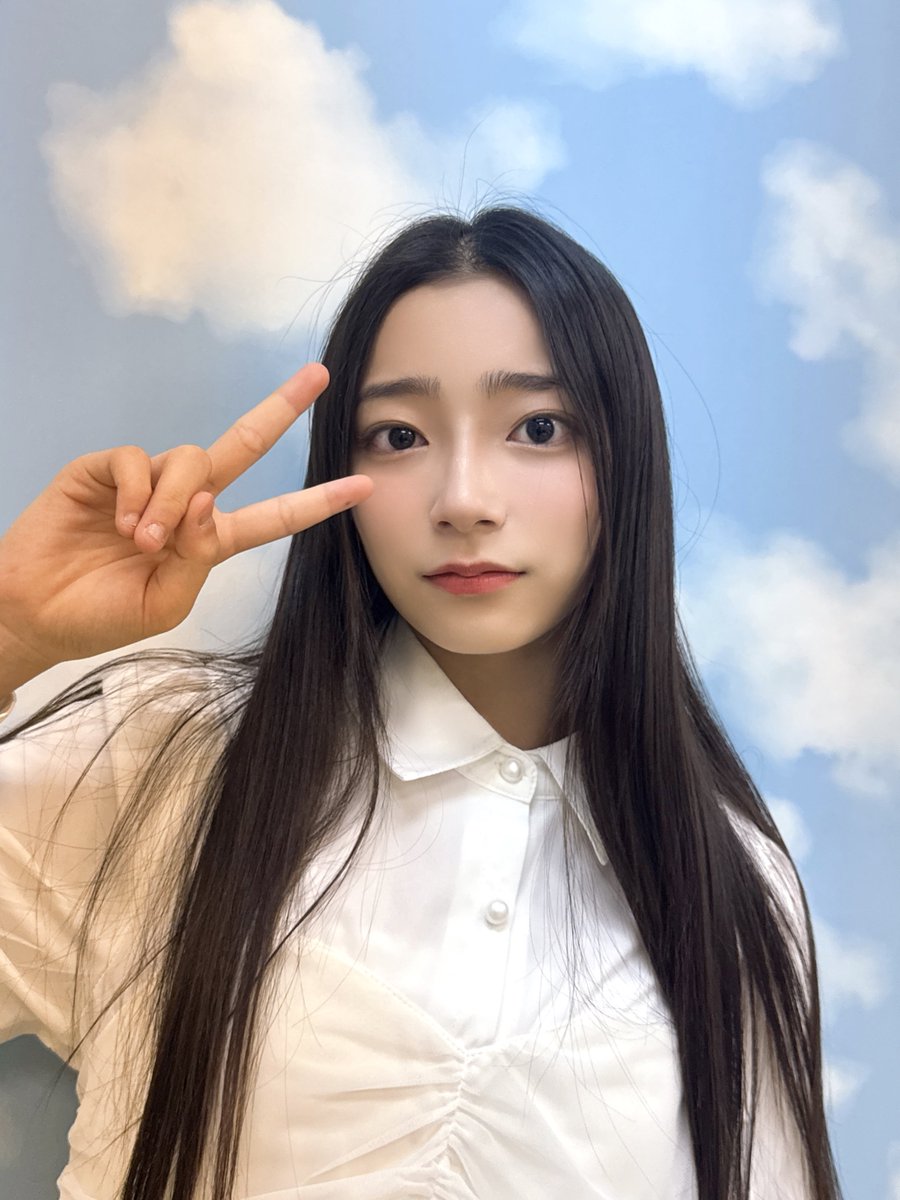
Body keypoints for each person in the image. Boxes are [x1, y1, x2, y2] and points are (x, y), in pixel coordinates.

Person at [0, 204, 843, 1200]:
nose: (464, 499)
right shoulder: (166, 758)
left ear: (626, 461)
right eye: (399, 435)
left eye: (538, 428)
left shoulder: (727, 880)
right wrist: (11, 632)